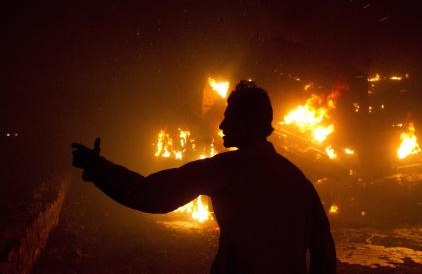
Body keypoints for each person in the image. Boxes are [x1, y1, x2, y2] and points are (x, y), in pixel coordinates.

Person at [72, 80, 336, 274]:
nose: (221, 125)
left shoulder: (226, 170)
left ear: (245, 122)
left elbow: (152, 195)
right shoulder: (297, 179)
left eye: (228, 116)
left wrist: (97, 168)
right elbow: (324, 254)